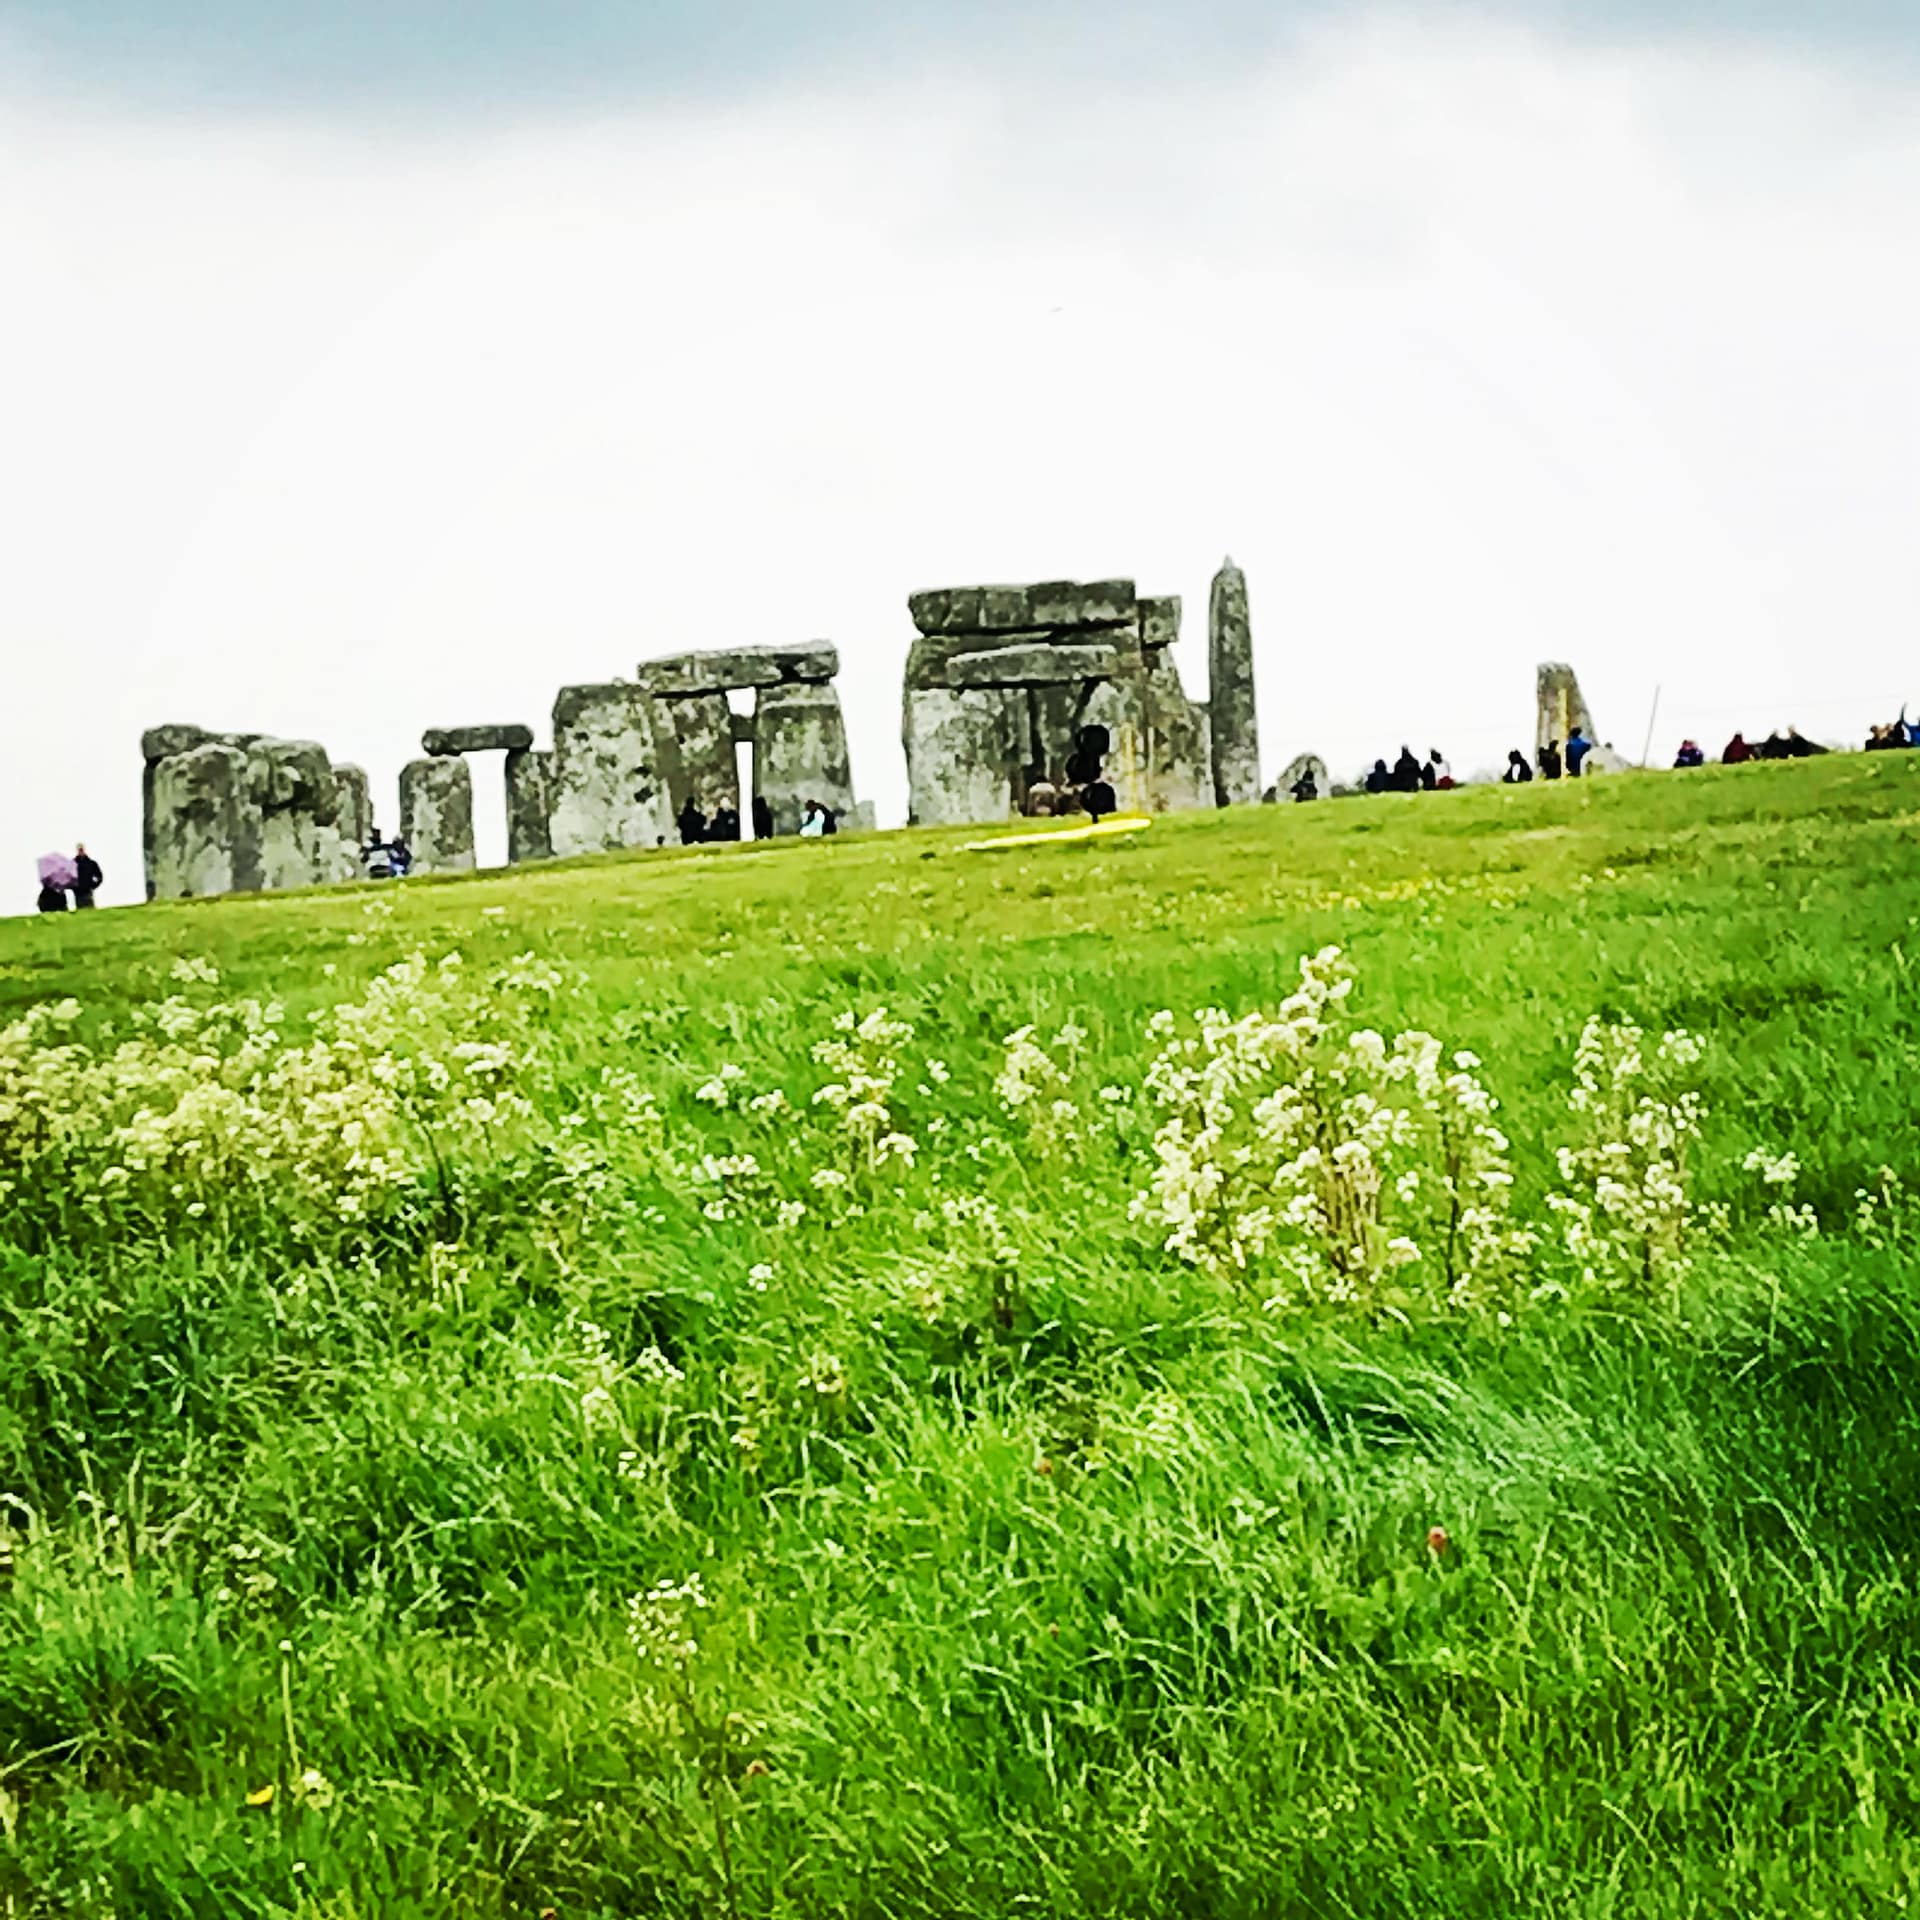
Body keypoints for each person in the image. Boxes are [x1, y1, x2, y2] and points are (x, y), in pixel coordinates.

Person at [73, 844, 102, 908]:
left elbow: (99, 876)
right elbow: (69, 878)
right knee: (81, 912)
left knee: (91, 911)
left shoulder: (91, 863)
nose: (81, 851)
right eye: (79, 849)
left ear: (84, 849)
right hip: (78, 894)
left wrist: (93, 886)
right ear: (77, 850)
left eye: (81, 849)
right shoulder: (73, 864)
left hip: (88, 893)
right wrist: (74, 888)